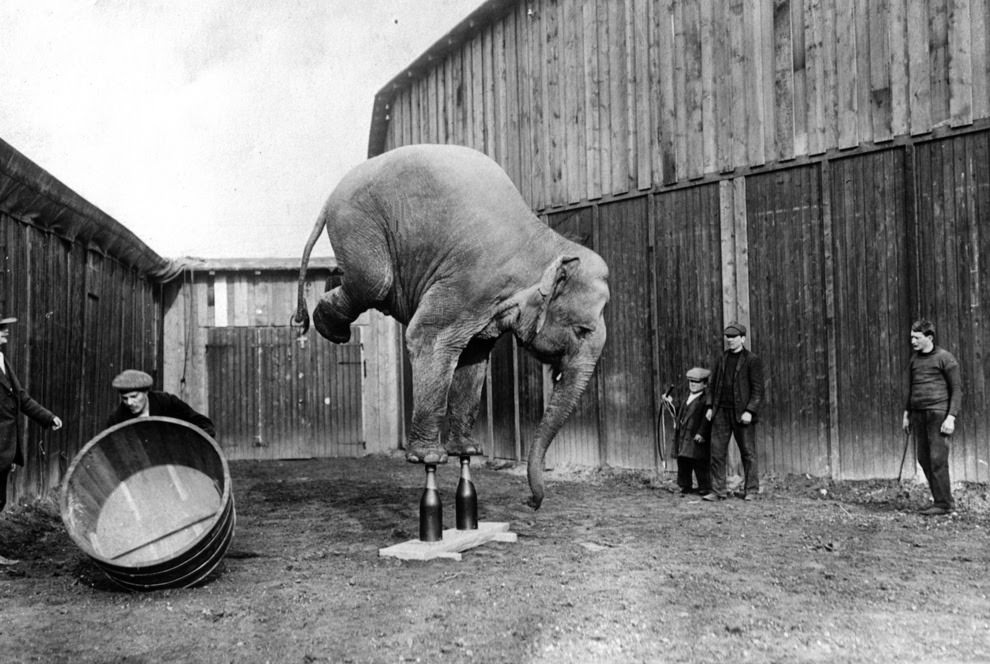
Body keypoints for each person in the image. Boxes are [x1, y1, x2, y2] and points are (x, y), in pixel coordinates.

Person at [0, 316, 63, 514]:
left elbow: (20, 397)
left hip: (4, 449)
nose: (6, 331)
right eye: (1, 328)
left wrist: (47, 417)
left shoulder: (2, 360)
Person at [902, 318, 961, 516]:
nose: (913, 341)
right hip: (918, 414)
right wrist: (906, 414)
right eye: (911, 337)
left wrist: (951, 416)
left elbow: (957, 390)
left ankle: (944, 504)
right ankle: (940, 500)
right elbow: (911, 388)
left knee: (938, 459)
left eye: (917, 338)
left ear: (929, 337)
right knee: (924, 458)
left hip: (938, 415)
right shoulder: (914, 359)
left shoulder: (946, 358)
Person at [704, 321, 765, 501]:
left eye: (734, 337)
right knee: (716, 452)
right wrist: (709, 407)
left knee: (748, 452)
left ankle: (751, 490)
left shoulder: (752, 360)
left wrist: (750, 411)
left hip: (742, 414)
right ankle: (718, 491)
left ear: (743, 339)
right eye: (728, 337)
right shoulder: (721, 359)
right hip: (721, 412)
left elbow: (758, 390)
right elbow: (712, 385)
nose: (730, 340)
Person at [106, 369, 216, 437]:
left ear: (146, 392)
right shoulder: (117, 419)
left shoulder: (167, 402)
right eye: (125, 398)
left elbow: (203, 423)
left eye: (134, 396)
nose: (129, 402)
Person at [664, 366, 712, 496]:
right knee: (683, 460)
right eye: (691, 381)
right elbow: (679, 411)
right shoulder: (687, 397)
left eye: (697, 382)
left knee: (699, 462)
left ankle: (704, 487)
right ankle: (684, 485)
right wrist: (670, 403)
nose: (693, 385)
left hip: (696, 436)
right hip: (683, 435)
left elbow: (707, 419)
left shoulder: (706, 400)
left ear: (705, 384)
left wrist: (702, 433)